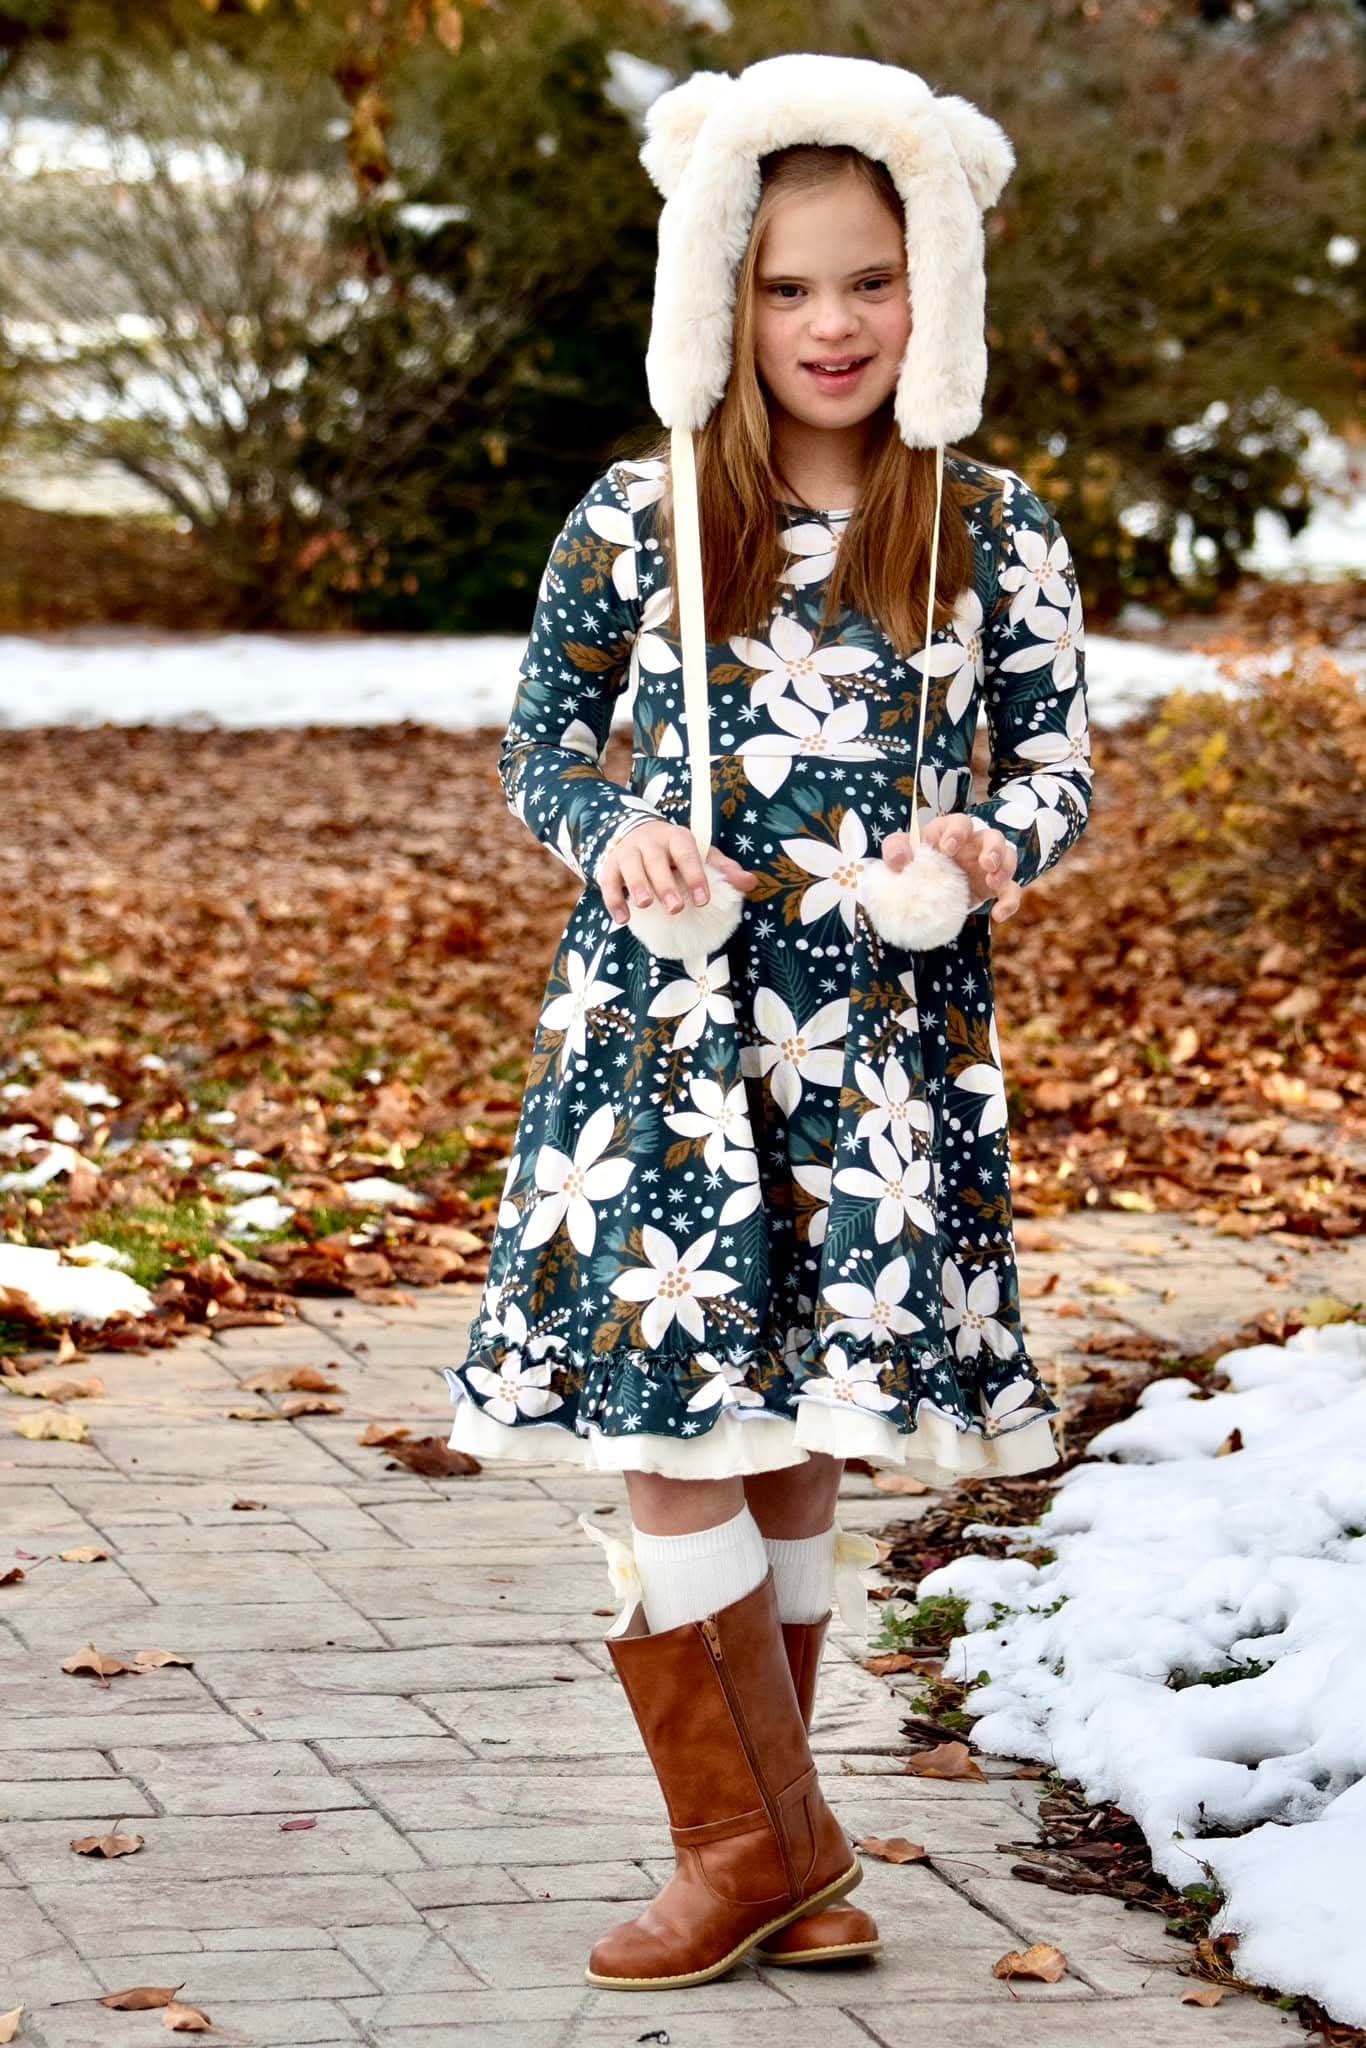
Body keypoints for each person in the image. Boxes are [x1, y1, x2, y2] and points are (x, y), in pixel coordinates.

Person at [445, 52, 1093, 1992]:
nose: (829, 326)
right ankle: (763, 1843)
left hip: (872, 1045)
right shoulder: (636, 520)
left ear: (938, 290)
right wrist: (617, 823)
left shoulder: (992, 528)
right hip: (666, 1034)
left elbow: (1057, 764)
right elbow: (540, 743)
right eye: (788, 287)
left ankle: (773, 1857)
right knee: (669, 1424)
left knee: (790, 1430)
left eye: (871, 282)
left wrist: (986, 839)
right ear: (719, 293)